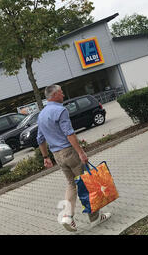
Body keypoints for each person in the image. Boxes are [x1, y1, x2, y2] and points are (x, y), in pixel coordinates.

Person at [38, 84, 111, 232]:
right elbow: (69, 133)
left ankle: (67, 216)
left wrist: (46, 157)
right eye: (61, 93)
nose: (63, 95)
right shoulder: (60, 110)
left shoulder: (41, 114)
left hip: (57, 155)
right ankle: (95, 218)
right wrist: (81, 152)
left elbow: (40, 139)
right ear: (54, 95)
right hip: (69, 152)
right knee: (86, 184)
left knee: (71, 184)